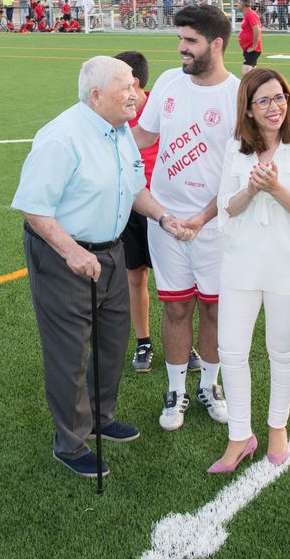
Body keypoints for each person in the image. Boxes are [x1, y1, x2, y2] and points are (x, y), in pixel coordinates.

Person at [11, 56, 194, 478]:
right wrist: (72, 251)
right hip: (64, 257)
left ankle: (101, 417)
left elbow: (133, 187)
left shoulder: (120, 131)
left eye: (135, 85)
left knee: (113, 340)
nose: (136, 94)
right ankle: (71, 442)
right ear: (96, 96)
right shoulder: (61, 137)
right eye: (126, 88)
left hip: (110, 252)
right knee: (69, 351)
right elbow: (33, 209)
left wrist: (164, 217)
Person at [212, 68, 290, 474]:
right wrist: (250, 189)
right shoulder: (235, 148)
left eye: (279, 97)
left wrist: (276, 188)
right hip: (241, 262)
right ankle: (240, 435)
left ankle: (277, 427)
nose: (274, 106)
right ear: (247, 108)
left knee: (281, 349)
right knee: (230, 349)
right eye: (263, 100)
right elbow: (225, 204)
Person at [133, 4, 240, 431]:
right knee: (176, 309)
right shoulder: (167, 82)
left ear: (216, 44)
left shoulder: (239, 93)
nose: (181, 48)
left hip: (215, 224)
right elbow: (144, 134)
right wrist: (106, 139)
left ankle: (210, 386)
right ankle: (175, 391)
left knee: (214, 312)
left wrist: (204, 216)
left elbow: (240, 170)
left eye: (190, 41)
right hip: (165, 220)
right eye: (180, 39)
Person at [113, 51, 160, 373]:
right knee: (135, 274)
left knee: (176, 278)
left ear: (135, 83)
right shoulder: (112, 112)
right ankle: (144, 341)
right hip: (130, 205)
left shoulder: (162, 106)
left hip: (164, 206)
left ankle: (184, 342)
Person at [236, 0, 262, 75]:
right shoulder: (247, 15)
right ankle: (255, 87)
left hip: (253, 49)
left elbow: (257, 30)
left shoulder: (250, 14)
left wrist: (254, 46)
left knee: (246, 72)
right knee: (252, 73)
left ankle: (249, 87)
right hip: (248, 49)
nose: (237, 5)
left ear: (243, 5)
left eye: (238, 3)